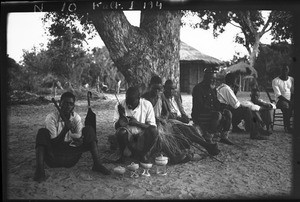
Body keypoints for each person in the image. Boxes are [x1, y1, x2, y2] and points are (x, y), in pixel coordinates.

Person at [34, 92, 110, 183]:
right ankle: (40, 170)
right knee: (42, 132)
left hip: (71, 159)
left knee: (89, 130)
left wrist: (80, 141)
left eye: (71, 104)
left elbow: (78, 138)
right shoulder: (51, 118)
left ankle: (97, 164)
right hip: (53, 157)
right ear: (60, 104)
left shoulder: (76, 118)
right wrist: (65, 130)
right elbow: (54, 144)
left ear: (73, 106)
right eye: (65, 103)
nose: (68, 106)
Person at [142, 76, 220, 164]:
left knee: (188, 128)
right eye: (154, 88)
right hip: (152, 125)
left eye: (158, 89)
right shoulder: (144, 98)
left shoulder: (161, 96)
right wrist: (157, 120)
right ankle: (175, 155)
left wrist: (164, 118)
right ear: (149, 86)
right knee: (169, 133)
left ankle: (207, 145)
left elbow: (166, 112)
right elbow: (144, 117)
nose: (156, 91)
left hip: (165, 122)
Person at [216, 73, 269, 140]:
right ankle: (255, 132)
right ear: (233, 81)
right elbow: (236, 105)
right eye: (235, 80)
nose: (236, 82)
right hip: (223, 110)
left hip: (222, 109)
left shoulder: (222, 87)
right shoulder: (226, 89)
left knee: (246, 110)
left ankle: (255, 128)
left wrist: (235, 92)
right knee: (247, 111)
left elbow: (232, 102)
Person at [113, 86, 158, 163]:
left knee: (153, 131)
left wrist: (137, 123)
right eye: (128, 102)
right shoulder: (120, 105)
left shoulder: (147, 105)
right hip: (128, 137)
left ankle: (143, 154)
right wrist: (121, 117)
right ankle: (123, 155)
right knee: (120, 132)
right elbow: (115, 127)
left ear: (139, 98)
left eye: (132, 103)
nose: (129, 105)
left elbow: (152, 127)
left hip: (142, 137)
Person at [192, 67, 233, 145]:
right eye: (212, 79)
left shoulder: (212, 88)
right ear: (206, 78)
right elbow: (200, 106)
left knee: (228, 113)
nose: (214, 81)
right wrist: (215, 110)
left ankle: (224, 136)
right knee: (218, 114)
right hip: (200, 114)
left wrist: (222, 107)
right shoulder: (198, 88)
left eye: (215, 79)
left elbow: (215, 102)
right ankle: (208, 137)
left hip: (210, 112)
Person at [272, 65, 294, 133]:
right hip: (280, 101)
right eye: (283, 70)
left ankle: (290, 125)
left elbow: (293, 91)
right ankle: (287, 127)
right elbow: (278, 95)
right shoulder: (275, 81)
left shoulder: (291, 79)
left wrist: (292, 100)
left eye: (286, 69)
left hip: (290, 100)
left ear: (288, 70)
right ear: (281, 71)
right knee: (286, 106)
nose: (285, 71)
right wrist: (289, 101)